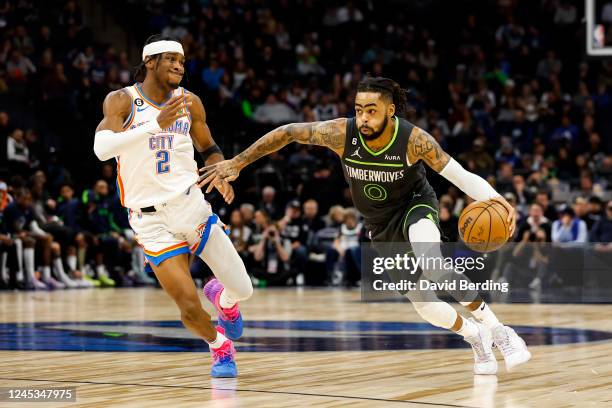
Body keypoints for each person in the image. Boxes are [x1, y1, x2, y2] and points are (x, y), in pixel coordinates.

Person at [200, 76, 531, 374]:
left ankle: (501, 331)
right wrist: (237, 162)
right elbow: (288, 133)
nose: (363, 118)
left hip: (415, 205)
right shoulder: (342, 134)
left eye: (371, 111)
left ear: (390, 111)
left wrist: (500, 200)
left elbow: (460, 176)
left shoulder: (414, 140)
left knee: (432, 263)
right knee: (425, 304)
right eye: (358, 109)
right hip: (380, 224)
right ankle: (475, 336)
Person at [93, 35, 253, 377]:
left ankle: (224, 299)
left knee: (243, 289)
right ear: (150, 62)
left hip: (191, 206)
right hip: (150, 221)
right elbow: (102, 149)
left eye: (182, 60)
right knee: (189, 308)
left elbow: (209, 147)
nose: (180, 65)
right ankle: (220, 347)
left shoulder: (190, 101)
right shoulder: (123, 100)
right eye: (171, 59)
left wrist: (220, 170)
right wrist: (155, 123)